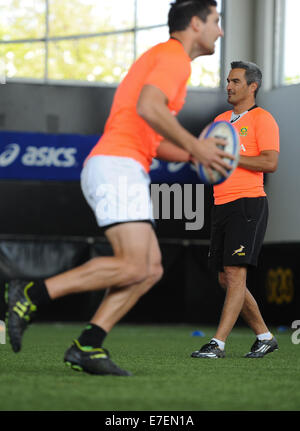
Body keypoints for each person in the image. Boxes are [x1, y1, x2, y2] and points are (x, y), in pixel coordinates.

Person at [6, 0, 232, 376]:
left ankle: (88, 345)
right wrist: (198, 147)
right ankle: (30, 294)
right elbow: (149, 107)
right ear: (195, 23)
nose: (220, 31)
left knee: (149, 269)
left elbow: (152, 137)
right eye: (216, 21)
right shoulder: (174, 57)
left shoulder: (168, 61)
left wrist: (194, 157)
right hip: (116, 165)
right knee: (133, 264)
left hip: (125, 164)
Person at [191, 61, 280, 359]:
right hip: (221, 203)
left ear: (252, 86)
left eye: (236, 81)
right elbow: (210, 160)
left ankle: (217, 343)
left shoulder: (262, 119)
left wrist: (230, 158)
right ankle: (265, 336)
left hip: (248, 203)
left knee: (234, 273)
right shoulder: (219, 121)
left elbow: (269, 163)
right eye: (228, 81)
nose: (228, 86)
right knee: (225, 278)